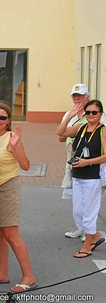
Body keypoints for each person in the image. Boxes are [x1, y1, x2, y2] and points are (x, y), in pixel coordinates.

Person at [0, 102, 37, 293]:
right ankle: (2, 273)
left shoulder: (12, 138)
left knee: (11, 234)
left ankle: (29, 277)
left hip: (7, 188)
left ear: (8, 121)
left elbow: (26, 165)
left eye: (2, 117)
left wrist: (15, 147)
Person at [56, 99, 106, 258]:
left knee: (90, 211)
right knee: (78, 210)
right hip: (77, 175)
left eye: (94, 112)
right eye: (88, 112)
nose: (91, 115)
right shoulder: (81, 128)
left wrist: (88, 162)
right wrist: (69, 116)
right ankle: (95, 235)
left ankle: (87, 245)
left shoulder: (102, 131)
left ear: (101, 114)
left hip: (93, 176)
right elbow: (60, 133)